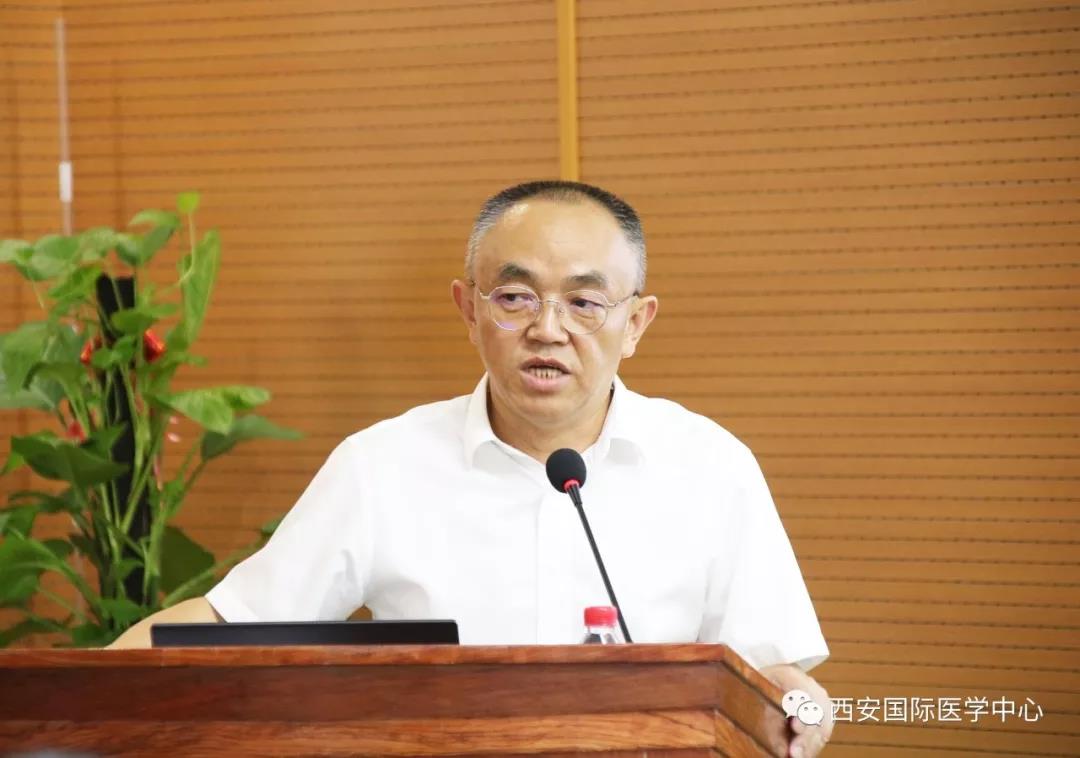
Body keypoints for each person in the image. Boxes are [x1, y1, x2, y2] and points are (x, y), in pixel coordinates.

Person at [111, 180, 833, 757]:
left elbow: (775, 674)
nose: (547, 329)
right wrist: (73, 689)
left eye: (584, 303)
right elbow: (232, 622)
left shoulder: (710, 467)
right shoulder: (381, 466)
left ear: (635, 324)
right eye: (515, 298)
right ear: (468, 309)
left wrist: (799, 713)